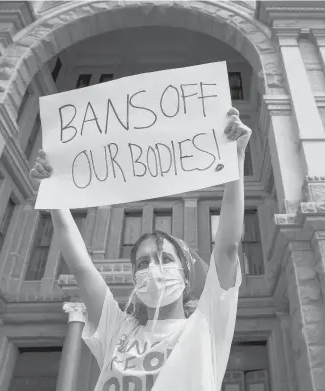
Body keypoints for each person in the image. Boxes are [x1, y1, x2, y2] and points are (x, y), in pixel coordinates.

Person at [29, 107, 252, 391]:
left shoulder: (207, 323)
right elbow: (81, 268)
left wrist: (237, 159)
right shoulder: (117, 329)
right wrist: (52, 194)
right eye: (143, 263)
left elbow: (228, 248)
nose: (153, 269)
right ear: (134, 278)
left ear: (185, 276)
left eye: (165, 258)